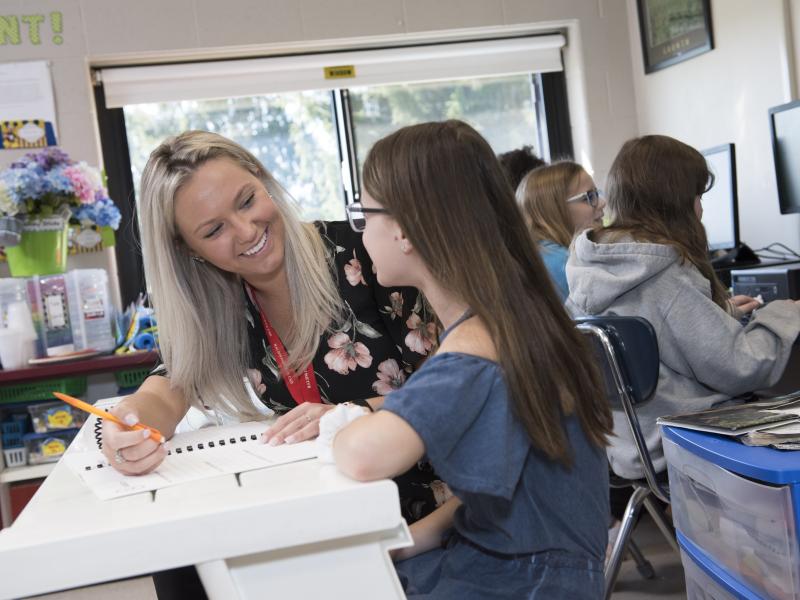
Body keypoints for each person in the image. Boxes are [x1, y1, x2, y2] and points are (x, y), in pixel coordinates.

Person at [102, 131, 442, 598]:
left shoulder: (367, 255)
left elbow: (461, 390)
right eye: (213, 230)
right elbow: (171, 384)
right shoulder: (225, 301)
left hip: (418, 512)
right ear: (188, 251)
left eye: (246, 201)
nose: (246, 232)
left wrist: (353, 411)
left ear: (263, 180)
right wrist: (130, 425)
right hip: (326, 514)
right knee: (186, 567)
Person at [325, 120, 613, 598]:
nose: (361, 232)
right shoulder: (511, 319)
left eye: (366, 215)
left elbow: (362, 456)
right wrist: (403, 543)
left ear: (404, 230)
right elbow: (488, 501)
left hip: (520, 582)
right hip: (514, 563)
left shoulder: (476, 348)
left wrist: (337, 425)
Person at [566, 135, 800, 500]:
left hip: (629, 444)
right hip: (677, 442)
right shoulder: (666, 279)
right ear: (674, 203)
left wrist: (718, 314)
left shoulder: (591, 268)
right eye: (698, 197)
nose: (702, 210)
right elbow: (743, 367)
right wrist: (784, 314)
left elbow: (658, 334)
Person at [516, 161, 606, 299]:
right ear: (554, 209)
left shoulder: (535, 254)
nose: (602, 203)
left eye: (596, 194)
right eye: (589, 196)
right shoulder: (563, 265)